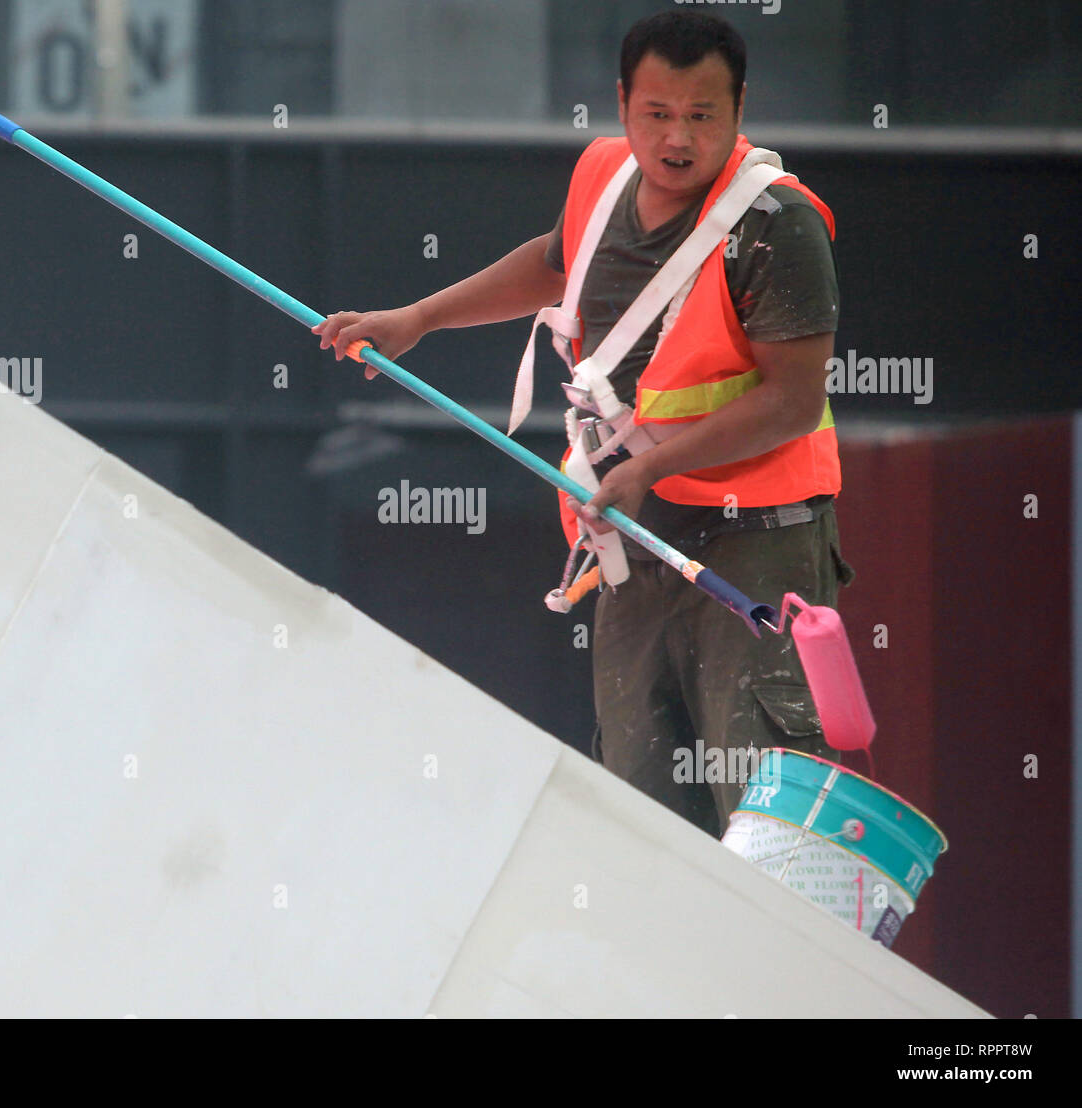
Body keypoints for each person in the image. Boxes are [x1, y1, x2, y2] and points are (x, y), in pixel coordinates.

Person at [313, 10, 854, 840]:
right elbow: (557, 261)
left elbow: (789, 399)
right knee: (642, 795)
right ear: (621, 105)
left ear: (741, 107)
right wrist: (417, 317)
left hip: (757, 544)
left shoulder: (779, 225)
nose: (677, 139)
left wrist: (644, 469)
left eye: (702, 116)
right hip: (636, 539)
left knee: (762, 810)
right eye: (656, 114)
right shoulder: (603, 174)